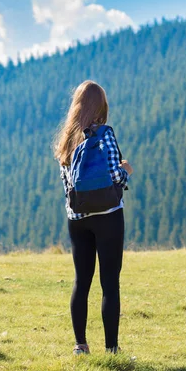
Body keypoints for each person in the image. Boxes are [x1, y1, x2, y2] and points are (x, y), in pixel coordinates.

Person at [53, 80, 133, 355]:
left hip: (77, 218)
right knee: (109, 282)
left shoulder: (67, 139)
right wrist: (125, 170)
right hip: (108, 216)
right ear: (101, 106)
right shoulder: (104, 134)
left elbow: (68, 184)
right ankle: (111, 349)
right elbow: (113, 176)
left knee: (81, 281)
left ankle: (80, 346)